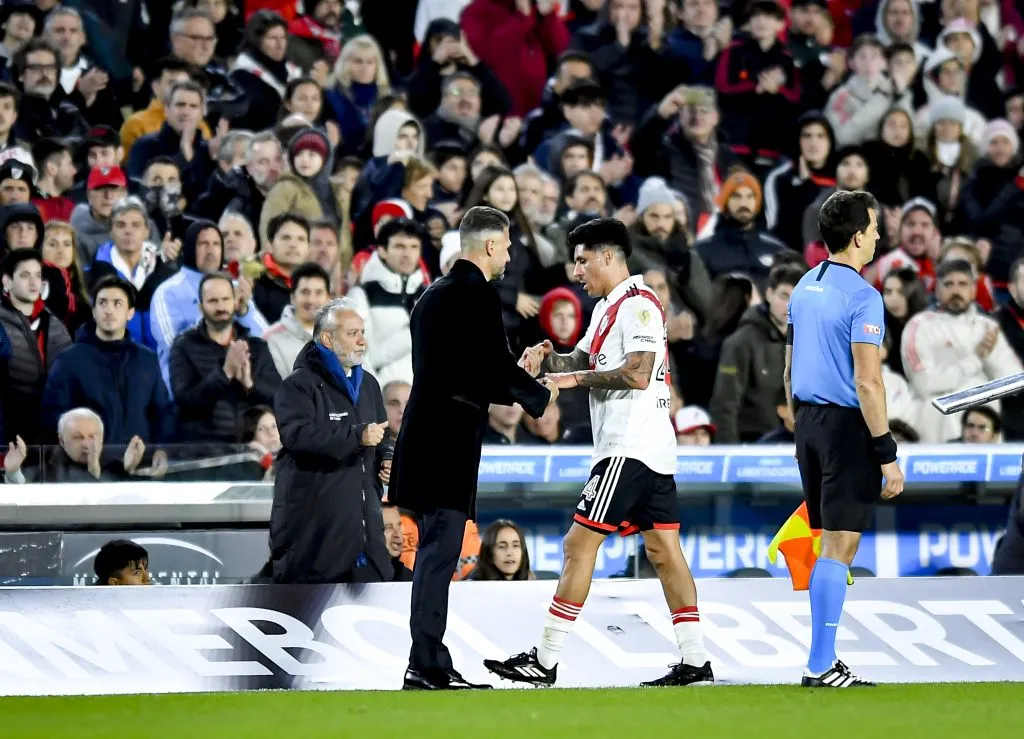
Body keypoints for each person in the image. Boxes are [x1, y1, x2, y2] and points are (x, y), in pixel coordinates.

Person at [485, 218, 713, 688]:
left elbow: (638, 373)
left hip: (628, 448)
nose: (576, 271)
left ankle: (544, 661)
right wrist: (551, 357)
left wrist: (570, 380)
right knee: (665, 552)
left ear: (609, 257)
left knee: (577, 545)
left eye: (583, 260)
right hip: (648, 449)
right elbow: (587, 361)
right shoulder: (609, 307)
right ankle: (696, 661)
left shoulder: (640, 305)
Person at [387, 205, 554, 691]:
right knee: (437, 557)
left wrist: (513, 372)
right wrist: (539, 394)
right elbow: (489, 373)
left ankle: (430, 660)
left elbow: (471, 370)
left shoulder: (433, 295)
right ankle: (426, 664)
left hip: (426, 439)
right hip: (447, 445)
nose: (507, 255)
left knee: (435, 557)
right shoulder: (476, 294)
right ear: (487, 246)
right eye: (504, 246)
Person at [785, 190, 905, 688]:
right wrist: (886, 453)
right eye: (874, 227)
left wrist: (801, 423)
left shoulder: (802, 286)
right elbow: (868, 381)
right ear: (857, 237)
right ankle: (820, 664)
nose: (878, 234)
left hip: (808, 425)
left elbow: (790, 370)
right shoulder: (864, 296)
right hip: (845, 430)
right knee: (839, 548)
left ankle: (821, 659)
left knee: (827, 545)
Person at [269, 297, 393, 584]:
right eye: (353, 334)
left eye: (363, 332)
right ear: (327, 339)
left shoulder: (369, 385)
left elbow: (383, 435)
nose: (363, 341)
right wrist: (357, 436)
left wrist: (386, 457)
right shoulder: (298, 385)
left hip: (366, 536)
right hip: (315, 538)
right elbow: (296, 436)